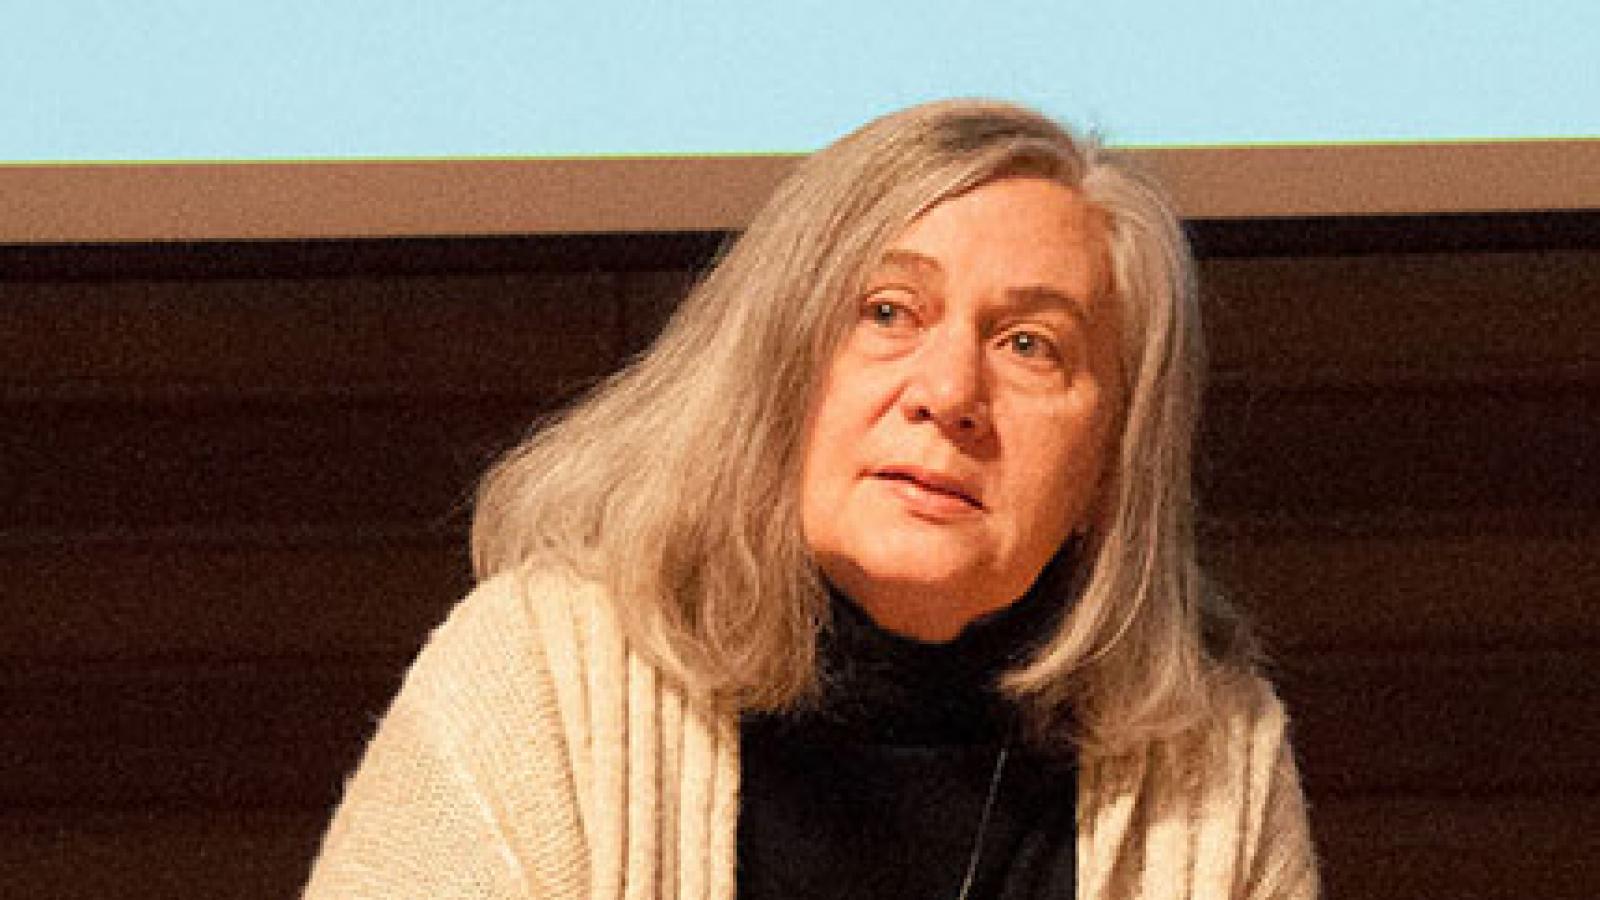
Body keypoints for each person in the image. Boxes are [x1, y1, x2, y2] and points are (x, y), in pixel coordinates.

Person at [303, 99, 1317, 899]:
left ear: (1111, 462)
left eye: (1030, 345)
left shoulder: (1204, 752)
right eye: (887, 311)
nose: (949, 394)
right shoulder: (540, 676)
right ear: (774, 372)